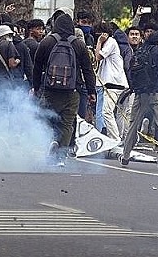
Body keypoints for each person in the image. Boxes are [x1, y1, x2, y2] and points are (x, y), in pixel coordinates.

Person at [32, 11, 96, 166]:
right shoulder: (78, 44)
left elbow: (37, 66)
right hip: (72, 90)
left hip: (50, 89)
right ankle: (61, 154)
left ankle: (51, 141)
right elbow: (87, 69)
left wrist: (36, 87)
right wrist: (91, 91)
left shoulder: (47, 42)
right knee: (67, 122)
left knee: (47, 118)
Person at [120, 31, 158, 172]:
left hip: (140, 94)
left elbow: (130, 70)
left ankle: (125, 155)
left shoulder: (140, 51)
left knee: (134, 125)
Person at [94, 22, 129, 141]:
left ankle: (115, 138)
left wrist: (99, 42)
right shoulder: (109, 43)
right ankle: (118, 137)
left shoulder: (110, 42)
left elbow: (98, 57)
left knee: (106, 112)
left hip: (114, 84)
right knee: (115, 113)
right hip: (111, 84)